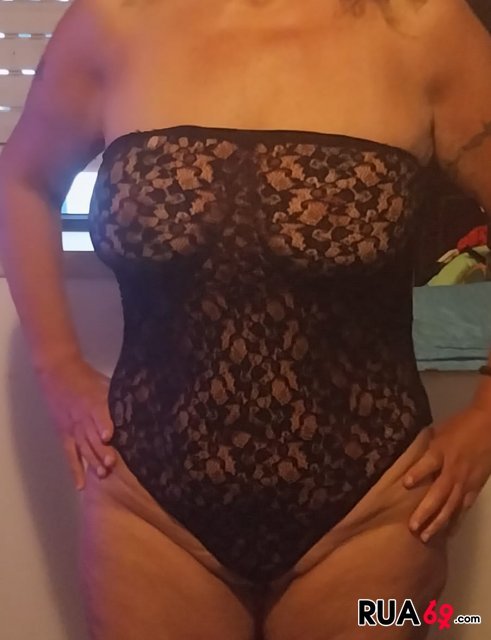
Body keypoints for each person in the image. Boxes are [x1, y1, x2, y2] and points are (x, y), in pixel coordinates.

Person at [1, 0, 491, 637]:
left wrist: (487, 419)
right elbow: (24, 180)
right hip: (149, 512)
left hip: (375, 514)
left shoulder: (424, 28)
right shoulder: (113, 22)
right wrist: (56, 365)